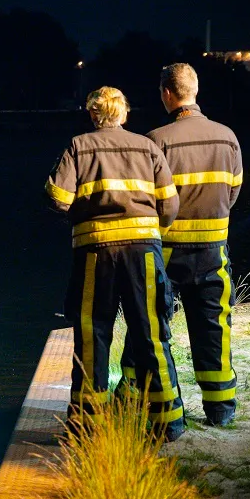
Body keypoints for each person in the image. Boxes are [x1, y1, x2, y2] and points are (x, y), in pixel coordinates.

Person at [45, 86, 185, 441]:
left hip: (96, 253)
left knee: (93, 335)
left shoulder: (79, 146)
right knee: (152, 334)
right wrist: (151, 229)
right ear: (124, 113)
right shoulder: (148, 146)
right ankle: (168, 423)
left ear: (94, 115)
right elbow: (170, 205)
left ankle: (87, 426)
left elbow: (57, 198)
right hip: (144, 252)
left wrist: (84, 213)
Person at [121, 63, 242, 427]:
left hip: (167, 252)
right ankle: (220, 411)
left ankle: (147, 405)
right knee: (214, 329)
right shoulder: (227, 137)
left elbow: (145, 197)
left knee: (153, 330)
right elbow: (233, 192)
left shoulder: (157, 140)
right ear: (195, 90)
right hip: (213, 250)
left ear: (167, 94)